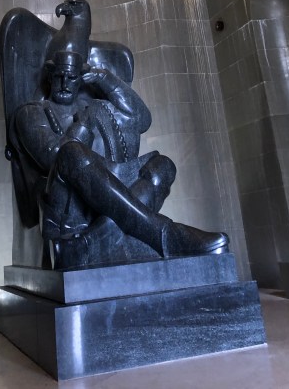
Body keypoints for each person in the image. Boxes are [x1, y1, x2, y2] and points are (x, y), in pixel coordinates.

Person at [13, 49, 228, 268]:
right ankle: (166, 235)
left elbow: (141, 119)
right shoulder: (31, 113)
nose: (65, 83)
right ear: (50, 77)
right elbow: (52, 157)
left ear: (80, 79)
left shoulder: (95, 107)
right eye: (60, 76)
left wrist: (104, 79)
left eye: (72, 77)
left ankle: (89, 244)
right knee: (70, 153)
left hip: (103, 196)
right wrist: (83, 125)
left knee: (163, 166)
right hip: (68, 204)